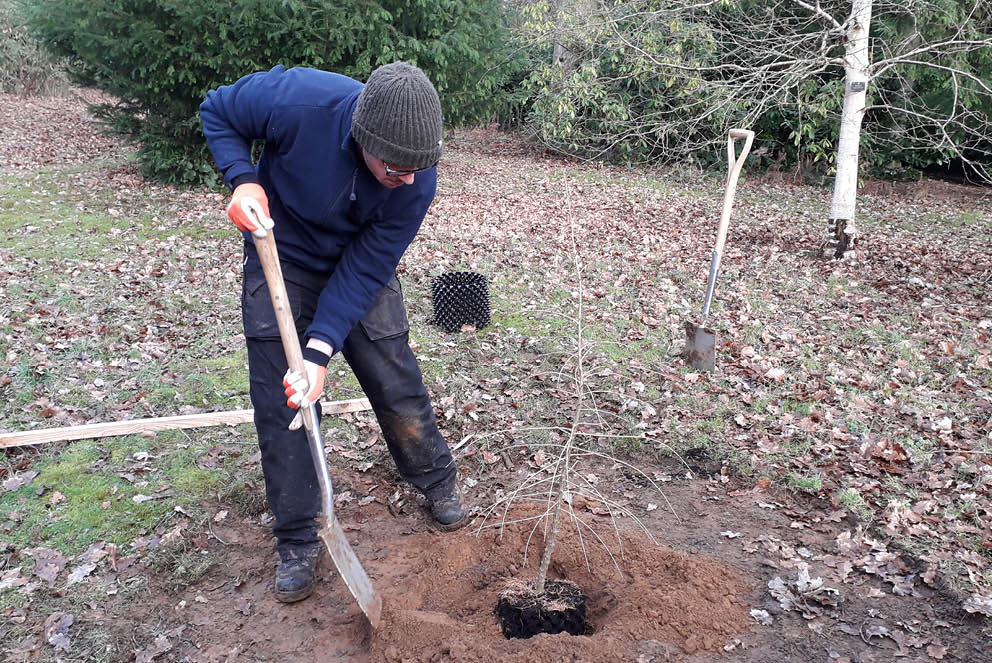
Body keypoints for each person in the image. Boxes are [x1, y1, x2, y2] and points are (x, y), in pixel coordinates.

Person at [199, 62, 466, 604]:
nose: (409, 180)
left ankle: (436, 480)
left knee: (392, 371)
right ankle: (298, 537)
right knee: (285, 399)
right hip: (283, 254)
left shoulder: (415, 177)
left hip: (354, 260)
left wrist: (321, 348)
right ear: (362, 139)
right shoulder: (298, 101)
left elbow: (367, 268)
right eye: (396, 168)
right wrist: (243, 178)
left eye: (420, 167)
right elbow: (218, 110)